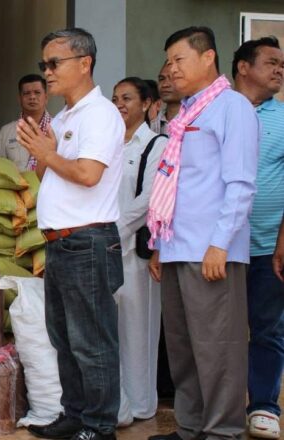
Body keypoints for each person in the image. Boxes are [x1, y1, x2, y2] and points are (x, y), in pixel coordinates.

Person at [147, 27, 258, 440]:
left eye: (179, 60)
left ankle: (224, 431)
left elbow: (241, 183)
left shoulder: (232, 107)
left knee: (219, 350)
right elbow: (177, 183)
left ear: (208, 57)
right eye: (168, 61)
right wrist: (159, 245)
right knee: (183, 348)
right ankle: (190, 427)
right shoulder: (187, 114)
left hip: (212, 250)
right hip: (178, 246)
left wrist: (220, 243)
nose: (170, 69)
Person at [18, 28, 124, 440]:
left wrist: (48, 153)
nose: (46, 72)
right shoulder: (62, 117)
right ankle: (76, 416)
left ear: (85, 63)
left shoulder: (100, 114)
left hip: (88, 241)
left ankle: (100, 427)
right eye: (44, 64)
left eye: (54, 63)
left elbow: (87, 174)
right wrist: (44, 155)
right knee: (64, 339)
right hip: (61, 242)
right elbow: (50, 174)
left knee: (92, 343)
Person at [233, 36, 284, 440]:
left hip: (270, 247)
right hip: (220, 248)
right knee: (221, 332)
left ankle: (264, 406)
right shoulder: (220, 112)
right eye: (271, 62)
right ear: (243, 67)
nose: (279, 69)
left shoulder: (282, 119)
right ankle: (225, 407)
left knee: (267, 328)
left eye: (281, 63)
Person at [111, 77, 168, 421]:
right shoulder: (111, 145)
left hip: (135, 250)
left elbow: (150, 200)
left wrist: (112, 228)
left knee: (138, 330)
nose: (119, 104)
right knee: (112, 330)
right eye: (116, 97)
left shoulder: (156, 144)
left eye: (127, 98)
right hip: (105, 250)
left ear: (147, 104)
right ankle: (119, 406)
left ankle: (142, 404)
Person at [0, 74, 51, 171]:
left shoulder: (58, 128)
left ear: (46, 98)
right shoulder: (6, 132)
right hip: (16, 185)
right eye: (26, 93)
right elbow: (0, 169)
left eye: (37, 92)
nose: (32, 97)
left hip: (47, 186)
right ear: (19, 99)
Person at [150, 62, 183, 135]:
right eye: (162, 79)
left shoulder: (196, 120)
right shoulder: (150, 123)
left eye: (173, 78)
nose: (165, 85)